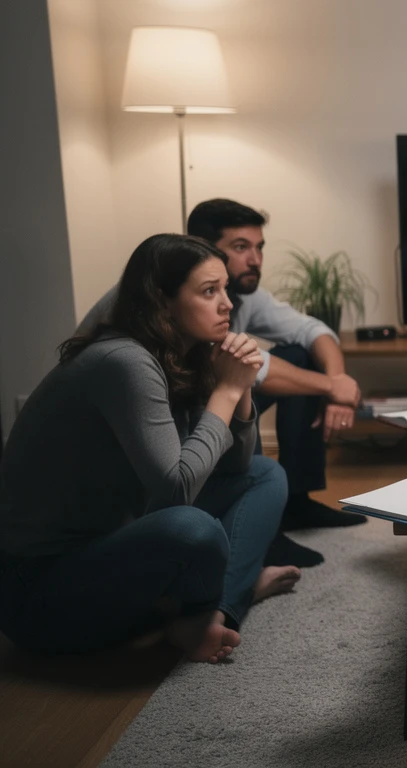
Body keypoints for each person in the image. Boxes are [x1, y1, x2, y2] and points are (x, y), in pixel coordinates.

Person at [0, 234, 302, 662]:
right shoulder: (125, 362)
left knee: (265, 474)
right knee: (193, 530)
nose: (228, 304)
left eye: (225, 289)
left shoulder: (186, 354)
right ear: (163, 302)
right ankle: (229, 591)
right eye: (209, 291)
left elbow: (235, 466)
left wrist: (242, 389)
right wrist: (228, 390)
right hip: (39, 590)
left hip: (113, 542)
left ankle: (212, 613)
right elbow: (175, 493)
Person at [78, 199, 366, 569]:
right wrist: (328, 388)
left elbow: (312, 330)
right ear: (200, 246)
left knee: (297, 357)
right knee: (245, 377)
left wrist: (337, 381)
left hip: (184, 418)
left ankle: (293, 501)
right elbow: (248, 370)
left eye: (259, 247)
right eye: (241, 247)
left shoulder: (235, 295)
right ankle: (264, 532)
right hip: (127, 457)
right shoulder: (154, 312)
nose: (256, 259)